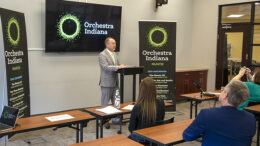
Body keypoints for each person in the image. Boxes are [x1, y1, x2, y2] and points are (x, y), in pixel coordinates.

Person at [183, 80, 256, 146]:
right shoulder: (251, 118)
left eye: (223, 91)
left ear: (225, 95)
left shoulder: (207, 115)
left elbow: (187, 136)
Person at [98, 37, 126, 128]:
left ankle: (116, 120)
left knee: (117, 101)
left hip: (115, 82)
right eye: (113, 43)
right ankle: (104, 121)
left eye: (115, 43)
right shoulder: (102, 55)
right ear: (107, 44)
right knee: (105, 102)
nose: (115, 45)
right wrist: (118, 67)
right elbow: (105, 67)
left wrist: (121, 66)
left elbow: (117, 65)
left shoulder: (114, 54)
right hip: (106, 83)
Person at [128, 77, 165, 143]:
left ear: (141, 90)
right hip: (157, 138)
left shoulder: (137, 107)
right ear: (154, 89)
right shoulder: (161, 103)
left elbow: (131, 128)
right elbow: (161, 120)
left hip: (142, 139)